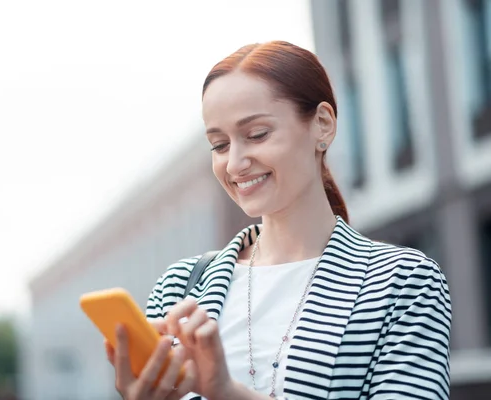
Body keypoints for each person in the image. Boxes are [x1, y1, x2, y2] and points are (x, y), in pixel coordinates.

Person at [104, 41, 452, 400]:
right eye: (220, 145)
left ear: (322, 124)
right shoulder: (180, 286)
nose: (235, 163)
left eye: (257, 135)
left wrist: (227, 392)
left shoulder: (402, 282)